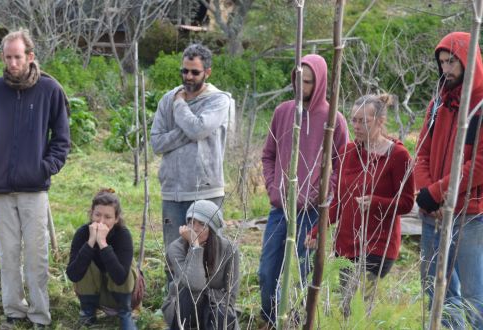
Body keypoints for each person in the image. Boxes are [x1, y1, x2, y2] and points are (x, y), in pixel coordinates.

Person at [0, 29, 70, 329]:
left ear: (30, 56)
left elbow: (62, 138)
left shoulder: (49, 90)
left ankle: (40, 315)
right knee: (8, 253)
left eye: (18, 56)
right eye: (8, 56)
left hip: (34, 188)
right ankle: (13, 311)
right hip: (0, 189)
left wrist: (46, 167)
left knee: (36, 255)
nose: (13, 62)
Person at [258, 54, 348, 326]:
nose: (301, 87)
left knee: (304, 274)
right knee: (267, 272)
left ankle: (298, 323)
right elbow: (268, 155)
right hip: (280, 209)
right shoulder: (282, 112)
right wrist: (275, 190)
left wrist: (323, 197)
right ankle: (271, 320)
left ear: (319, 83)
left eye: (307, 82)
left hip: (312, 214)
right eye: (298, 80)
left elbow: (342, 166)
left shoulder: (334, 119)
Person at [306, 94, 415, 317]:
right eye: (354, 120)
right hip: (346, 245)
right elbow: (339, 201)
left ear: (380, 121)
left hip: (377, 245)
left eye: (363, 121)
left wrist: (376, 203)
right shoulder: (347, 151)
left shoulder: (398, 156)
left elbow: (406, 203)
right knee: (347, 309)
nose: (356, 126)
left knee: (357, 308)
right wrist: (318, 230)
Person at [415, 31, 483, 329]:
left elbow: (479, 163)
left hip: (470, 215)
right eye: (442, 62)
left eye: (452, 62)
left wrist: (438, 192)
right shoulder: (438, 104)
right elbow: (421, 151)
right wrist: (427, 192)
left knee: (474, 295)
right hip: (433, 215)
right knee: (438, 292)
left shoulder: (480, 107)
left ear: (469, 61)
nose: (446, 69)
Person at [150, 43, 234, 263]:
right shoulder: (167, 99)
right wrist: (191, 130)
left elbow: (197, 130)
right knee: (174, 256)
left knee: (210, 256)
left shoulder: (218, 100)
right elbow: (157, 143)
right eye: (184, 71)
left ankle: (210, 299)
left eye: (195, 72)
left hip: (206, 192)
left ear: (207, 72)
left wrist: (181, 108)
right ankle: (175, 299)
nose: (188, 76)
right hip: (173, 193)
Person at [162, 199, 240, 330]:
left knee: (221, 312)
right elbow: (194, 284)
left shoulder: (229, 250)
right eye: (191, 222)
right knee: (188, 293)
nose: (195, 229)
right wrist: (195, 247)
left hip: (215, 306)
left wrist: (208, 298)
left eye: (202, 224)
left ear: (212, 228)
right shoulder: (176, 248)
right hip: (184, 306)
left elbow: (231, 294)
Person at [66, 189, 137, 330]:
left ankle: (125, 314)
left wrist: (103, 244)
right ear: (91, 213)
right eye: (97, 215)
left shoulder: (123, 235)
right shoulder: (82, 233)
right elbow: (73, 274)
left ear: (116, 219)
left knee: (126, 267)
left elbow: (120, 277)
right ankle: (88, 313)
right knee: (83, 261)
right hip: (95, 294)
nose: (101, 221)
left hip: (122, 295)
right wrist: (91, 242)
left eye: (108, 217)